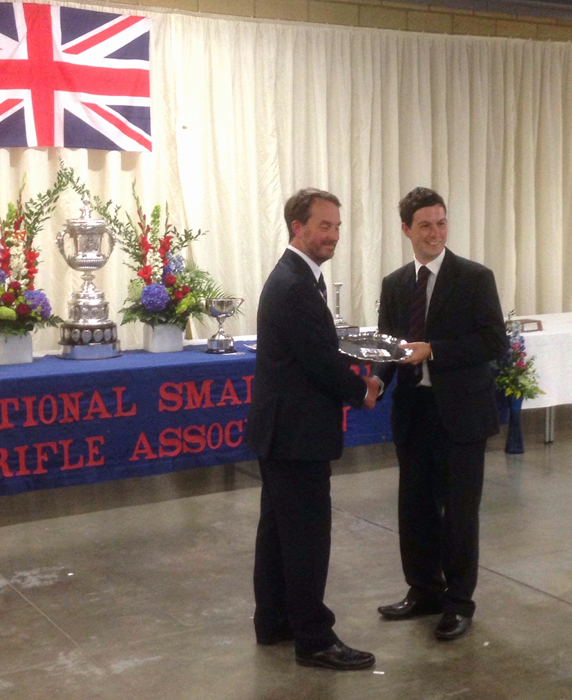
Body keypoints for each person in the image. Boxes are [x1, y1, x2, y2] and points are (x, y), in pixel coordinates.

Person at [246, 188, 379, 670]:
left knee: (279, 532)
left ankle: (275, 621)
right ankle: (315, 639)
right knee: (306, 537)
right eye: (324, 226)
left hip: (282, 432)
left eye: (338, 226)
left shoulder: (299, 277)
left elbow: (317, 349)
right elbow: (319, 361)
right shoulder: (296, 284)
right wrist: (361, 390)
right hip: (297, 435)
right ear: (297, 227)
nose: (334, 235)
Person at [374, 187, 507, 641]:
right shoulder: (395, 284)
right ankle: (424, 591)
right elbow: (391, 345)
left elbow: (494, 343)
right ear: (407, 229)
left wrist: (435, 351)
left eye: (442, 222)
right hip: (413, 411)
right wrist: (376, 379)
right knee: (414, 509)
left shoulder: (474, 277)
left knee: (460, 513)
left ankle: (458, 602)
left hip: (462, 414)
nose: (435, 232)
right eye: (426, 225)